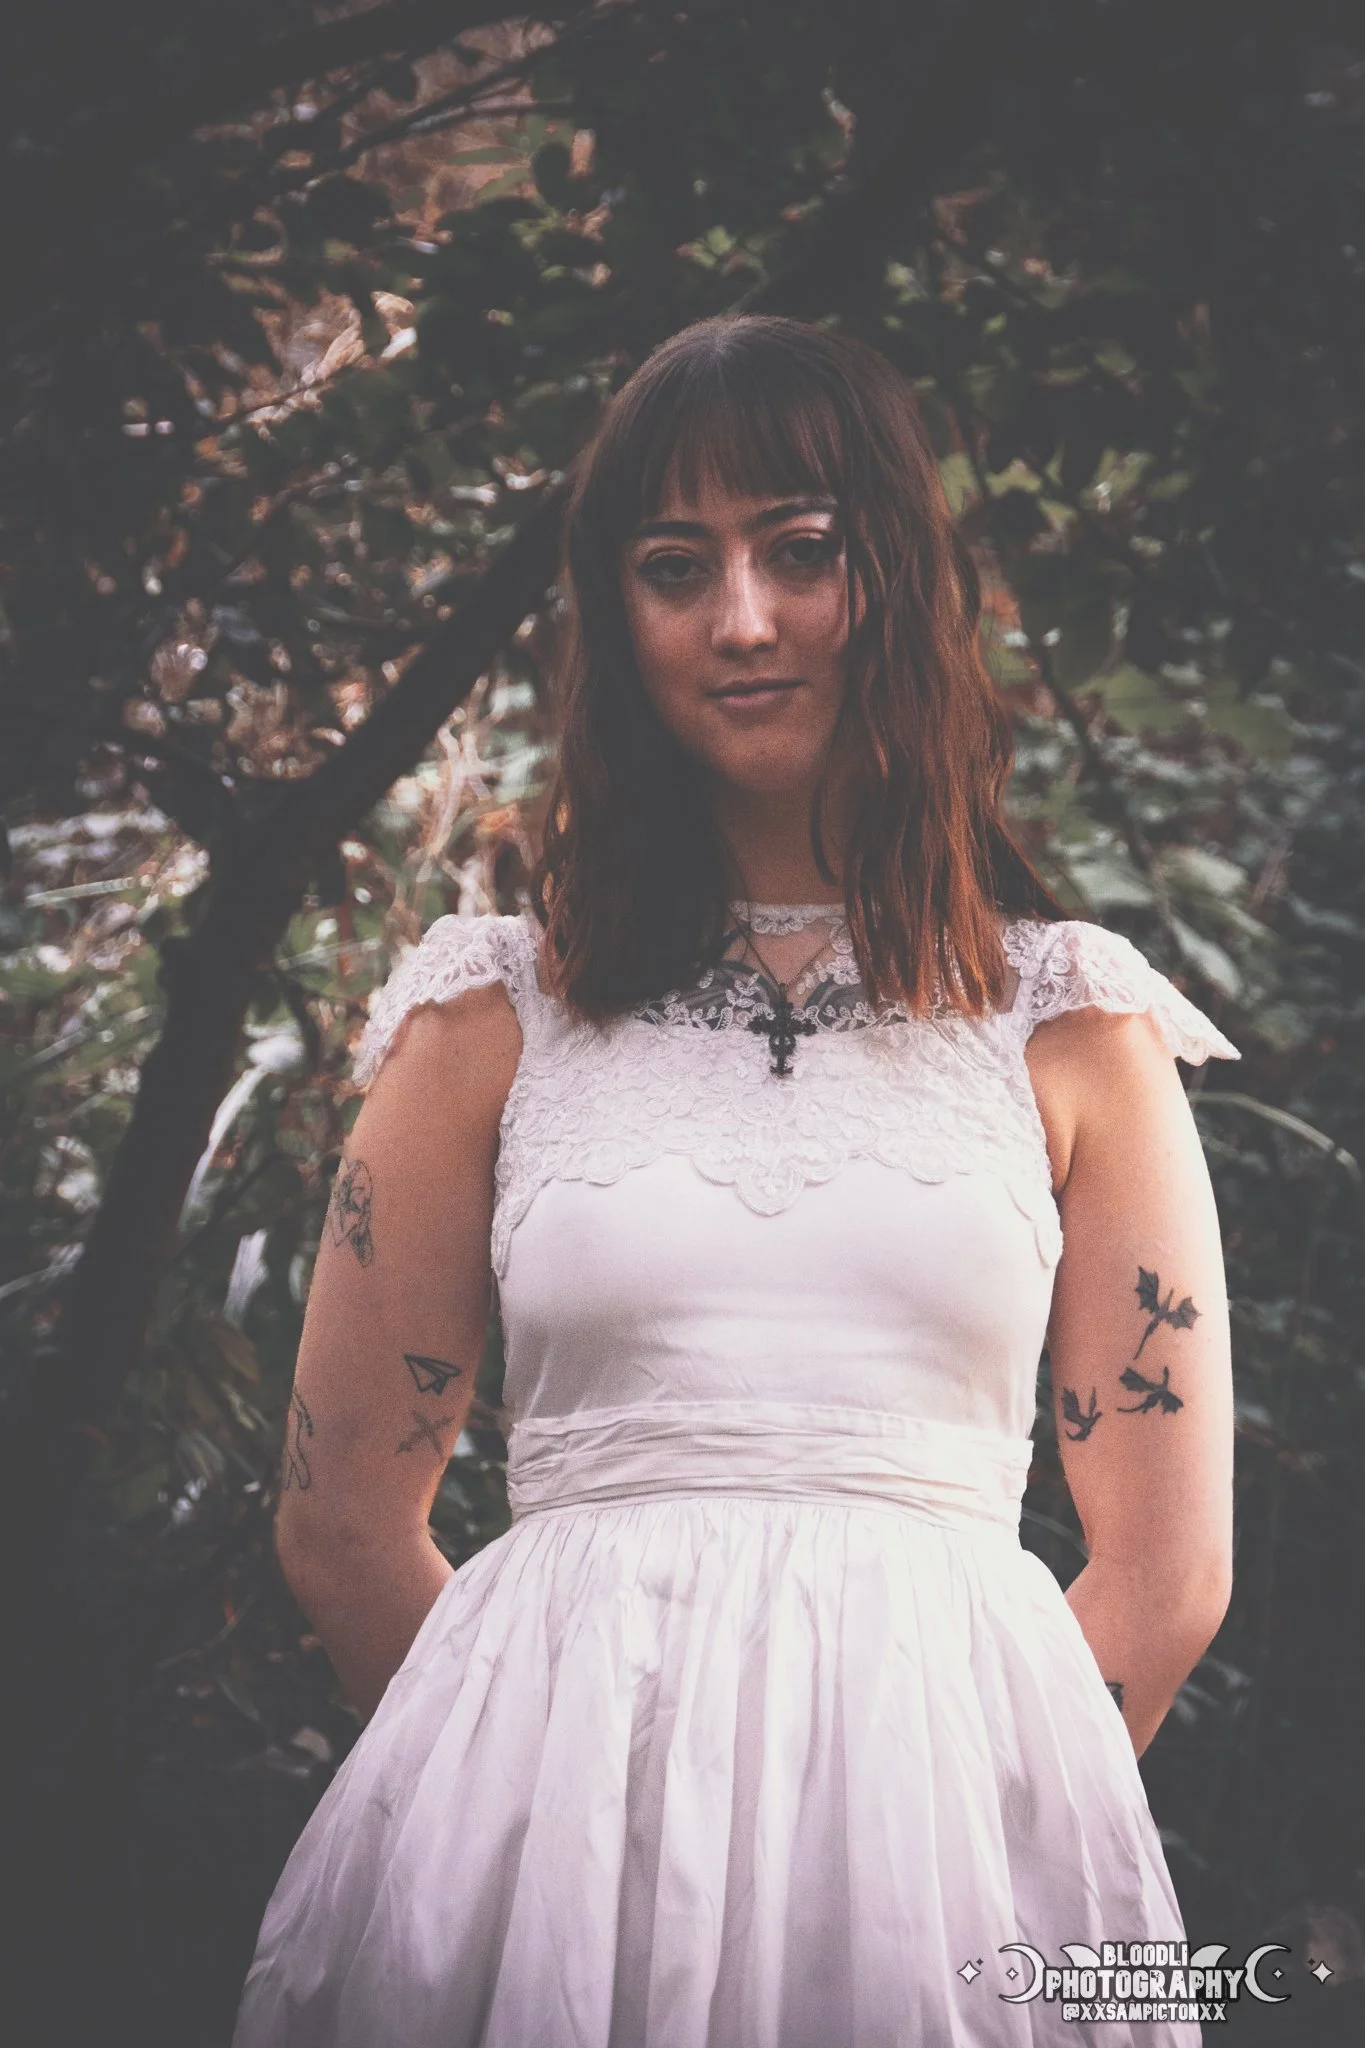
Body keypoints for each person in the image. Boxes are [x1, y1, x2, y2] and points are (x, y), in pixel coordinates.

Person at [233, 315, 1240, 2047]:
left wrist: (967, 1846)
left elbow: (1164, 1571)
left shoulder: (1075, 1026)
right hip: (525, 1866)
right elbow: (340, 1522)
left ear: (898, 580)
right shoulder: (487, 1016)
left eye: (802, 549)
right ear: (618, 623)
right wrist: (516, 1815)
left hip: (962, 1881)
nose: (743, 618)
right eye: (674, 566)